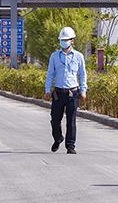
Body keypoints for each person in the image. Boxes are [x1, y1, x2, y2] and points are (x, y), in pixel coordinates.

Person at [45, 26, 87, 155]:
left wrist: (83, 90)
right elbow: (50, 73)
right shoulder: (54, 56)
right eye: (62, 39)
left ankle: (70, 145)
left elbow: (83, 74)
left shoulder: (79, 56)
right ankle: (58, 139)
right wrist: (47, 89)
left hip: (72, 93)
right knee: (55, 120)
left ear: (72, 40)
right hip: (58, 93)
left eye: (66, 39)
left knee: (71, 121)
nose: (64, 42)